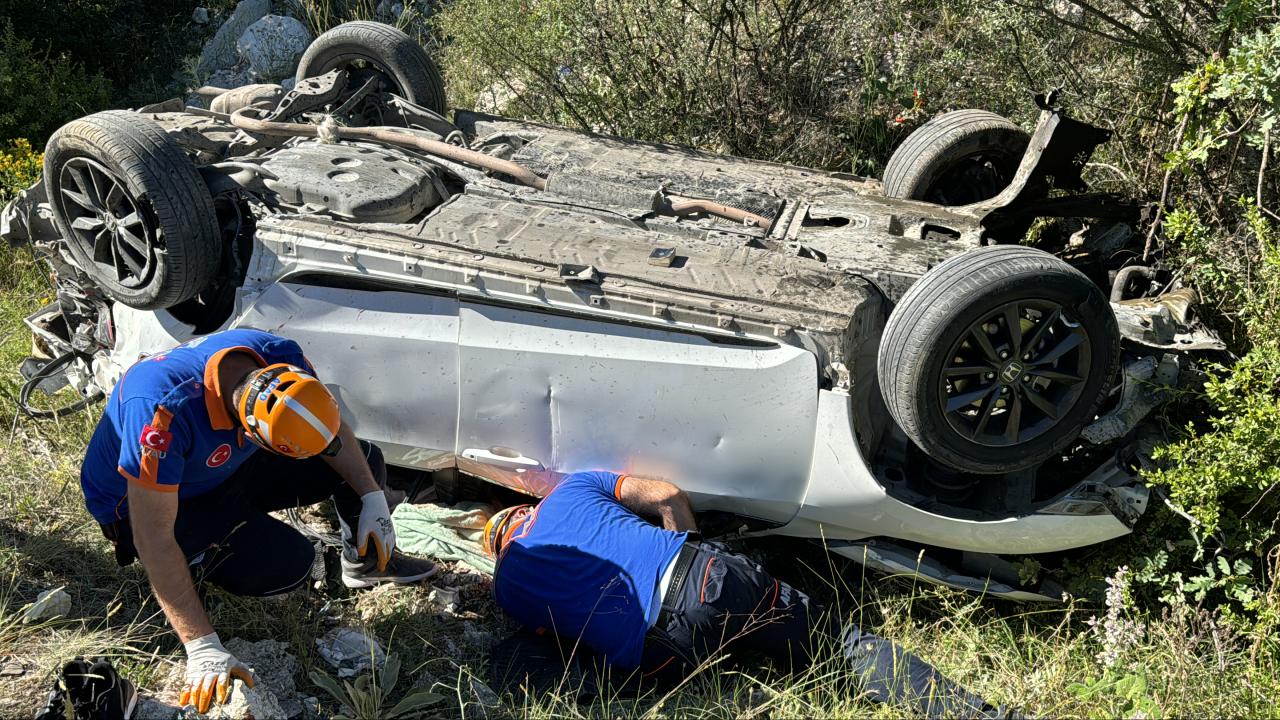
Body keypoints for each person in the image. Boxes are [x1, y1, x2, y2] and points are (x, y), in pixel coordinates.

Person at [80, 328, 437, 713]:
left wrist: (372, 497)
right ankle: (200, 563)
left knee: (363, 461)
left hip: (220, 466)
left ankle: (364, 565)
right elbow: (153, 537)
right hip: (145, 504)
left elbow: (331, 435)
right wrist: (201, 644)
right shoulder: (162, 411)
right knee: (290, 566)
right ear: (251, 432)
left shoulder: (279, 354)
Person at [483, 470, 1007, 718]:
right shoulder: (572, 489)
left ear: (503, 547)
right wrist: (693, 548)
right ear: (524, 511)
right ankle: (982, 716)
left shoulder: (507, 589)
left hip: (669, 653)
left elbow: (564, 638)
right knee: (840, 644)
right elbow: (666, 495)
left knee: (521, 657)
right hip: (709, 575)